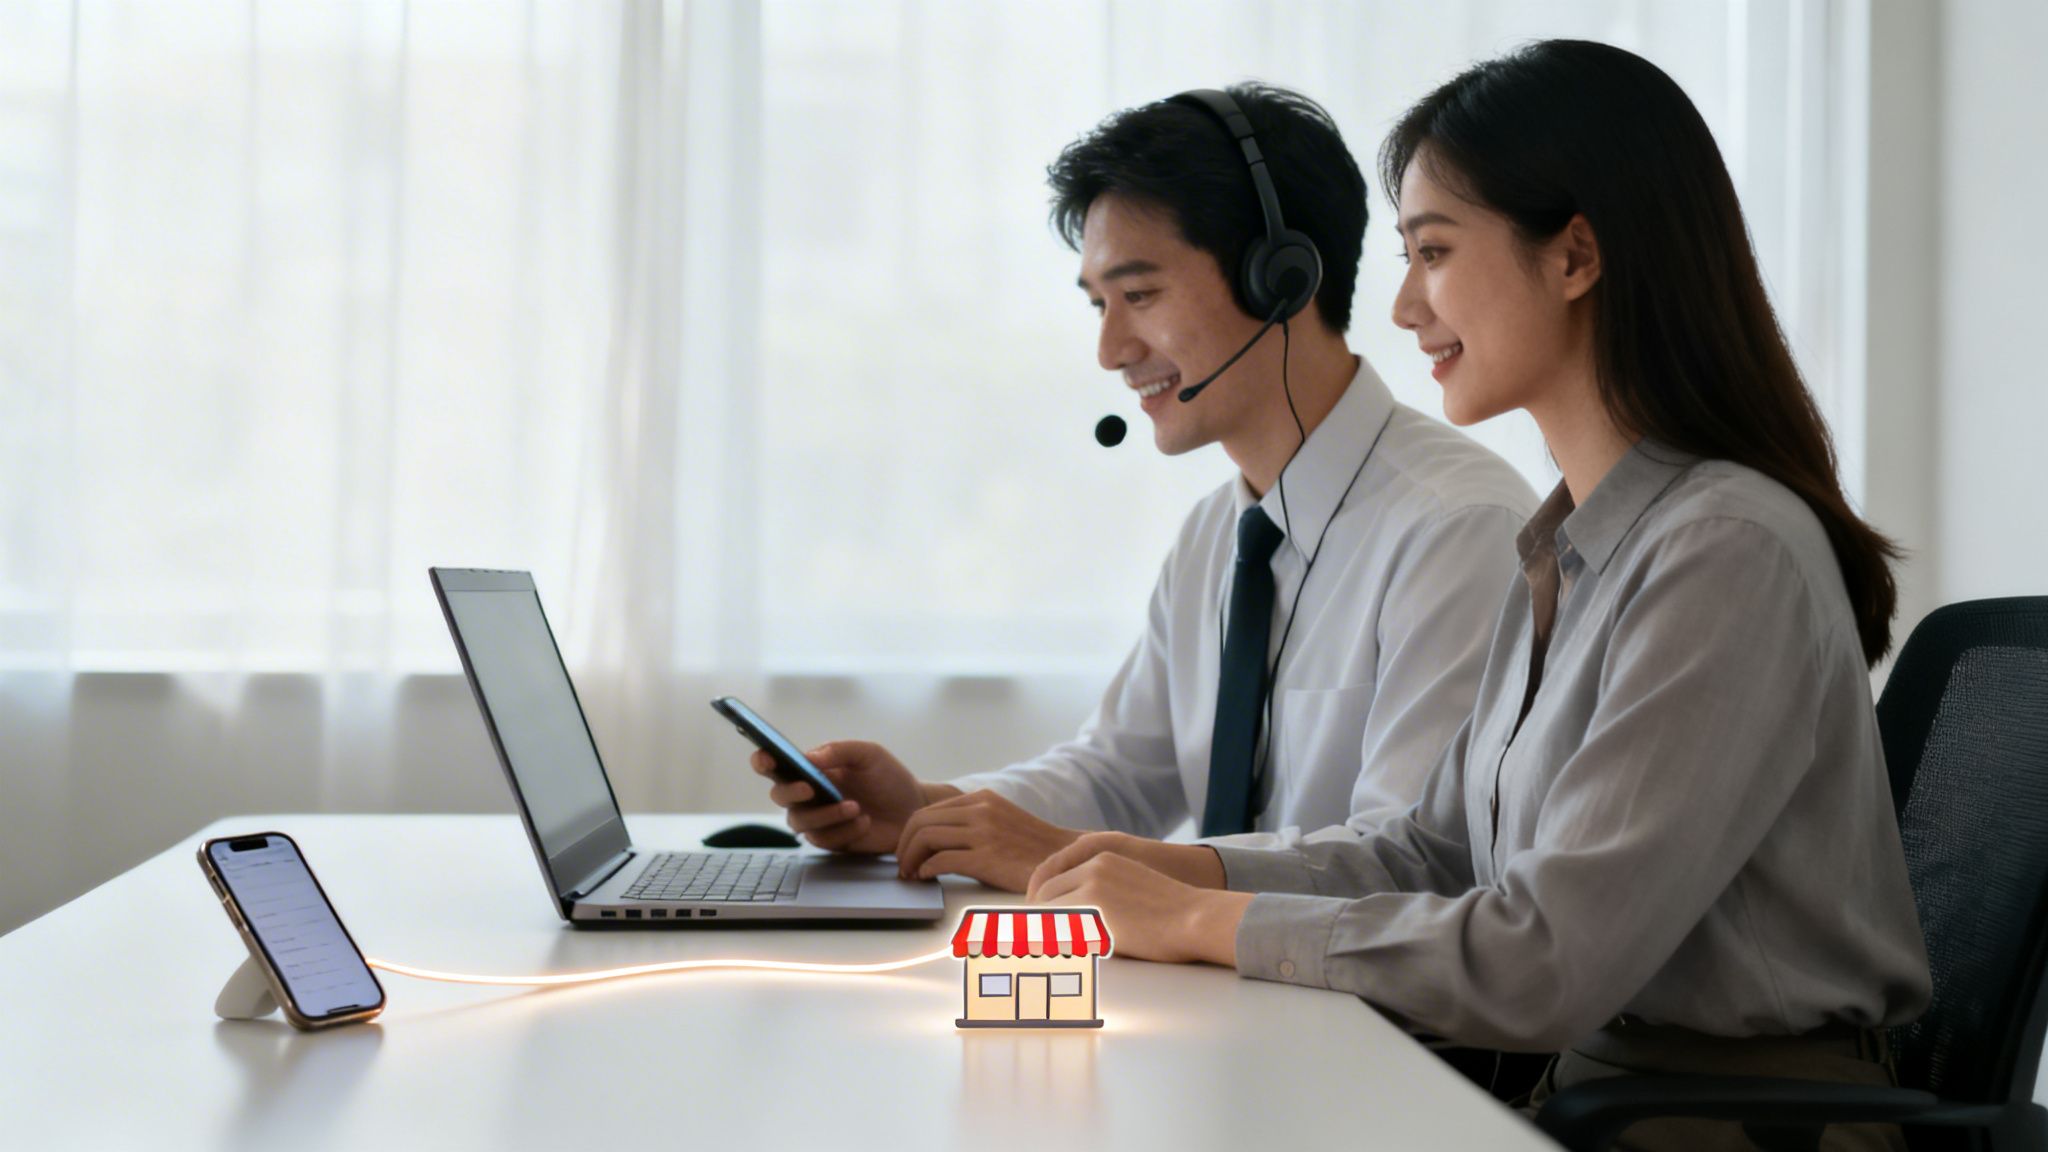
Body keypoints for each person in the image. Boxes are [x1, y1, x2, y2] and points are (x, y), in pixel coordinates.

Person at [1026, 41, 1930, 1150]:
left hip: (1714, 1124)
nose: (1403, 307)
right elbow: (1428, 853)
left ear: (1574, 257)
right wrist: (1177, 871)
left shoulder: (1721, 551)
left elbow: (1543, 958)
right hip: (1587, 1095)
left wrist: (1207, 919)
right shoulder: (1567, 544)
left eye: (1434, 252)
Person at [751, 84, 1535, 892]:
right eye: (1099, 304)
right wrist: (922, 811)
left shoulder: (1457, 532)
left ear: (1283, 280)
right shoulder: (1218, 536)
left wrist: (1093, 864)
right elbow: (1118, 775)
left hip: (1372, 1015)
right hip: (1233, 992)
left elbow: (1412, 867)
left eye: (1140, 295)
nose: (1111, 349)